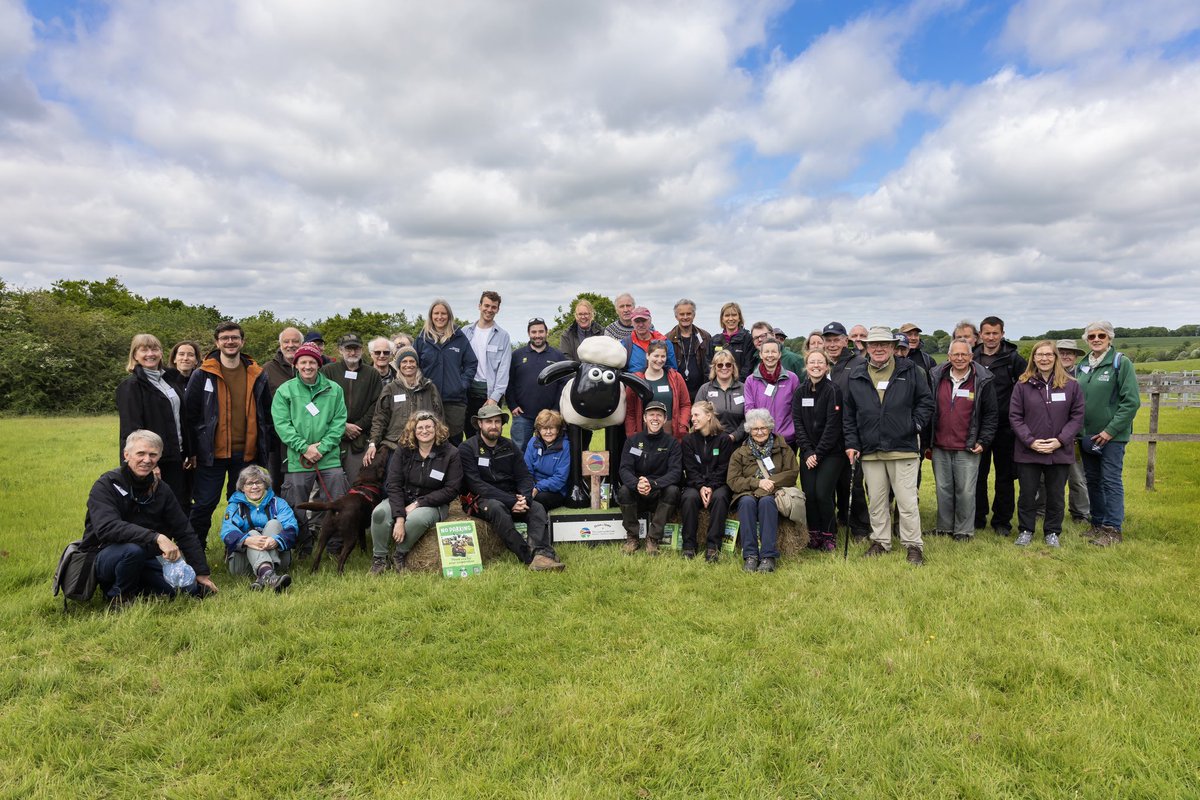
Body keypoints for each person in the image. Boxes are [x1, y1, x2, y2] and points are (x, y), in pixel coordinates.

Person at [82, 430, 217, 608]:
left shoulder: (161, 489)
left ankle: (141, 586)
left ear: (159, 457)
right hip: (107, 556)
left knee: (188, 591)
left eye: (153, 455)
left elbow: (184, 531)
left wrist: (201, 573)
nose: (147, 460)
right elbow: (107, 527)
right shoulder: (106, 485)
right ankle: (120, 597)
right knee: (131, 551)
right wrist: (157, 537)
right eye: (141, 453)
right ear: (126, 454)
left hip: (146, 556)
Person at [843, 326, 934, 565]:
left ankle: (913, 545)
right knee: (877, 501)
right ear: (867, 347)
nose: (879, 348)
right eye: (874, 344)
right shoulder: (856, 374)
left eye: (884, 344)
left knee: (906, 501)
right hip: (870, 449)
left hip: (902, 446)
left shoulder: (911, 370)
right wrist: (852, 442)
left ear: (893, 347)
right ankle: (881, 541)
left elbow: (926, 402)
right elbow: (849, 414)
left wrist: (914, 425)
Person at [184, 321, 272, 550]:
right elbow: (190, 417)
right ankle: (194, 550)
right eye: (225, 338)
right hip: (211, 454)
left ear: (242, 341)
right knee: (203, 505)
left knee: (243, 504)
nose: (230, 342)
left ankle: (238, 550)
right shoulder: (202, 374)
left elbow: (266, 415)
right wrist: (192, 451)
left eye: (234, 337)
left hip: (245, 454)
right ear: (217, 342)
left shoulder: (257, 373)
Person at [459, 405, 565, 570]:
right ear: (480, 424)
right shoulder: (467, 448)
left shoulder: (510, 446)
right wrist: (511, 501)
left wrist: (525, 498)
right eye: (489, 422)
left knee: (537, 508)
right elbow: (476, 484)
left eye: (497, 421)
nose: (493, 425)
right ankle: (529, 557)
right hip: (482, 499)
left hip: (512, 497)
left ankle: (542, 553)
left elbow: (524, 476)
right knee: (497, 508)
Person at [270, 342, 349, 556]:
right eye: (303, 362)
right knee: (296, 505)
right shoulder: (285, 391)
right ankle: (301, 546)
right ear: (296, 365)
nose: (307, 366)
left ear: (318, 364)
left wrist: (321, 448)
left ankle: (333, 546)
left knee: (334, 503)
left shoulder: (334, 390)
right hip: (298, 459)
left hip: (329, 457)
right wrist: (304, 448)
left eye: (312, 362)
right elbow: (282, 425)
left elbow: (339, 422)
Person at [1010, 341, 1085, 548]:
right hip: (1028, 451)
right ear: (1033, 358)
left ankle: (1052, 532)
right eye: (1039, 355)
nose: (1044, 359)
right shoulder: (1022, 385)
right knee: (1027, 494)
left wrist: (1060, 441)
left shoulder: (1071, 385)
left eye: (1049, 355)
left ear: (1055, 358)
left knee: (1056, 494)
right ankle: (1026, 530)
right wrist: (1031, 441)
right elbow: (1015, 417)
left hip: (1059, 451)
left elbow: (1077, 417)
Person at [368, 411, 462, 573]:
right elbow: (394, 484)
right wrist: (398, 517)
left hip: (433, 503)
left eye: (428, 427)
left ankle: (399, 554)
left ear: (436, 428)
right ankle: (380, 559)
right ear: (413, 430)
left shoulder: (451, 453)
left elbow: (451, 490)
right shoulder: (403, 449)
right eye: (420, 428)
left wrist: (418, 504)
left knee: (415, 519)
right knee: (379, 513)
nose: (424, 431)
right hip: (403, 498)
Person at [1076, 321, 1141, 546]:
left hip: (1112, 437)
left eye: (1101, 336)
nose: (1096, 339)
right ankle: (1097, 524)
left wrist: (1110, 430)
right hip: (1087, 435)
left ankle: (1113, 529)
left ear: (1109, 338)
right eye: (1091, 336)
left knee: (1111, 481)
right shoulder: (1082, 365)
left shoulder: (1120, 363)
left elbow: (1131, 402)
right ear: (1086, 339)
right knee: (1092, 480)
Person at [928, 340, 998, 541]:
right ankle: (944, 527)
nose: (959, 358)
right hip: (940, 444)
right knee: (943, 489)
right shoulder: (936, 376)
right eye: (955, 355)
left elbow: (991, 414)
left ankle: (963, 531)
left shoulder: (982, 380)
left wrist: (983, 440)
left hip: (967, 445)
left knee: (965, 491)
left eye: (964, 355)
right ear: (949, 356)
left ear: (971, 356)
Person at [117, 333, 189, 510]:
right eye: (144, 349)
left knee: (178, 505)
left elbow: (181, 418)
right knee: (153, 508)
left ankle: (178, 538)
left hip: (175, 455)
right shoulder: (131, 386)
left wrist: (189, 451)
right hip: (152, 459)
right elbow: (132, 430)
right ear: (135, 355)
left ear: (161, 353)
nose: (150, 353)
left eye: (154, 348)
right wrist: (151, 463)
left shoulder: (170, 380)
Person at [972, 315, 1027, 535]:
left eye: (996, 333)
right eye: (987, 333)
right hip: (978, 426)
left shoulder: (1014, 359)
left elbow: (1025, 390)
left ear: (1002, 334)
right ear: (981, 334)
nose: (992, 337)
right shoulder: (972, 357)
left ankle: (1002, 521)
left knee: (1004, 476)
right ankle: (977, 517)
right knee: (978, 476)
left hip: (1006, 427)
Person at [727, 408, 799, 573]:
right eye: (755, 429)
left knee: (767, 502)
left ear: (770, 428)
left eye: (763, 428)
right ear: (749, 431)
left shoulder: (783, 448)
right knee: (746, 503)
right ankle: (750, 555)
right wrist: (757, 483)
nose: (759, 432)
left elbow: (792, 473)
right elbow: (732, 481)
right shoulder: (740, 453)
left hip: (773, 492)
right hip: (747, 493)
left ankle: (768, 556)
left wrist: (770, 483)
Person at [792, 349, 845, 552]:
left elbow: (833, 427)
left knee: (823, 493)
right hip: (808, 453)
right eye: (812, 362)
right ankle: (814, 534)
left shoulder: (833, 391)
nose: (816, 365)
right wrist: (806, 451)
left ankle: (829, 534)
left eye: (820, 362)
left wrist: (818, 453)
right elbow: (798, 423)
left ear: (826, 366)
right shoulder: (800, 392)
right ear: (806, 365)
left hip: (831, 453)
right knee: (810, 494)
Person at [617, 400, 682, 555]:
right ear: (644, 418)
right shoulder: (632, 441)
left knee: (673, 490)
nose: (655, 418)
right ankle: (633, 537)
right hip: (637, 493)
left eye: (659, 415)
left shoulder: (672, 443)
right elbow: (624, 469)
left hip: (659, 494)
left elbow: (675, 472)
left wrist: (653, 483)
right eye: (651, 414)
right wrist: (636, 484)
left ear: (665, 419)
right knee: (624, 491)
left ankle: (653, 539)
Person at [218, 464, 297, 591]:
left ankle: (264, 576)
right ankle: (269, 576)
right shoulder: (235, 506)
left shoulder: (279, 503)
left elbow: (292, 528)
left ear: (265, 485)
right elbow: (227, 532)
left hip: (278, 560)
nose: (254, 487)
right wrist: (247, 540)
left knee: (274, 524)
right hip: (243, 565)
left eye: (258, 482)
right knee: (252, 533)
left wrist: (276, 540)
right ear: (242, 488)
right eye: (249, 483)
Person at [824, 322, 869, 540]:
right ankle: (837, 521)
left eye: (836, 340)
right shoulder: (821, 364)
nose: (832, 345)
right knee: (831, 482)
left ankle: (860, 528)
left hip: (850, 433)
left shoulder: (858, 363)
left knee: (853, 484)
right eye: (828, 340)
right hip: (826, 435)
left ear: (845, 340)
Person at [365, 345, 444, 467]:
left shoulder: (429, 387)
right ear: (399, 365)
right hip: (395, 445)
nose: (408, 365)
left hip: (424, 444)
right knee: (392, 481)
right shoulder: (390, 388)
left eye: (412, 361)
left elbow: (439, 416)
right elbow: (380, 419)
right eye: (404, 361)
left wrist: (440, 441)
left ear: (417, 364)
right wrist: (373, 443)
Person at [414, 298, 478, 444]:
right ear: (431, 316)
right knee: (429, 440)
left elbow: (471, 363)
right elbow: (413, 364)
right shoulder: (422, 338)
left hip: (454, 401)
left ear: (449, 316)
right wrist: (420, 383)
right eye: (436, 313)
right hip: (427, 400)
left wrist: (461, 384)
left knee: (453, 441)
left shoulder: (459, 337)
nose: (440, 317)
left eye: (443, 313)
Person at [321, 333, 382, 484]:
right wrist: (342, 426)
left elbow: (377, 404)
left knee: (356, 480)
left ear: (362, 350)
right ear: (340, 350)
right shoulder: (328, 371)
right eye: (348, 349)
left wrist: (359, 426)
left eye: (356, 348)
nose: (352, 353)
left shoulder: (372, 374)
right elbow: (321, 404)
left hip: (360, 437)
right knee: (329, 482)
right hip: (331, 435)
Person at [679, 401, 735, 561]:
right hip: (695, 484)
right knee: (688, 498)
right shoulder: (688, 441)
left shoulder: (724, 440)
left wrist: (710, 486)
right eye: (691, 416)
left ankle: (713, 547)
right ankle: (689, 546)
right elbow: (690, 469)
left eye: (696, 415)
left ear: (709, 416)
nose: (693, 419)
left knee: (720, 497)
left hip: (718, 484)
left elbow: (724, 468)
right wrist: (701, 486)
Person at [1044, 339, 1090, 522]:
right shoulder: (1046, 375)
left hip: (1074, 435)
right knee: (1043, 478)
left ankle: (1080, 513)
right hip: (1047, 435)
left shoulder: (1083, 377)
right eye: (1061, 352)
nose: (1065, 356)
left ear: (1076, 356)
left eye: (1069, 353)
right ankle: (1042, 510)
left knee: (1077, 477)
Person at [507, 317, 565, 454]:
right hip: (523, 416)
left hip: (550, 416)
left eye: (541, 331)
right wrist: (512, 405)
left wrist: (556, 409)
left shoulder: (558, 356)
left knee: (549, 452)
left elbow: (563, 384)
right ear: (528, 333)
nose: (537, 335)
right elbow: (509, 382)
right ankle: (520, 476)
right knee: (519, 451)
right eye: (534, 332)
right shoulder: (516, 355)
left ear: (547, 332)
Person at [262, 327, 303, 490]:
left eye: (295, 341)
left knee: (302, 482)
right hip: (277, 438)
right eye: (286, 341)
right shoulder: (267, 369)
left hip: (307, 436)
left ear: (302, 344)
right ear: (280, 344)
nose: (290, 345)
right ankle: (278, 515)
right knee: (277, 481)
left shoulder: (310, 366)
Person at [463, 290, 511, 428]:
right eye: (486, 305)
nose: (489, 310)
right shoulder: (465, 332)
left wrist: (494, 398)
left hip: (489, 395)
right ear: (479, 306)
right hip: (467, 393)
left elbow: (504, 369)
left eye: (493, 307)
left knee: (490, 434)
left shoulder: (503, 336)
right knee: (468, 433)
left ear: (498, 309)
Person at [624, 340, 690, 440]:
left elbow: (685, 404)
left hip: (670, 434)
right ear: (647, 356)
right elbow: (630, 412)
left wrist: (682, 425)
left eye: (663, 356)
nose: (659, 360)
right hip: (644, 434)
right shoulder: (636, 380)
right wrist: (632, 435)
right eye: (656, 356)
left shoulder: (676, 378)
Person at [744, 338, 799, 447]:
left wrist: (792, 431)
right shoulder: (751, 380)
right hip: (760, 439)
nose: (770, 355)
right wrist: (761, 431)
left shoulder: (792, 379)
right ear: (760, 354)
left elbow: (796, 409)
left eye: (773, 352)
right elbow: (749, 409)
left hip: (787, 440)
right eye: (766, 352)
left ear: (779, 354)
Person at [696, 350, 747, 445]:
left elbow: (749, 417)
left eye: (728, 365)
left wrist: (735, 436)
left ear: (733, 367)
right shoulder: (705, 389)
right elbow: (697, 416)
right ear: (714, 368)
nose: (724, 368)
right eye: (720, 365)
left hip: (739, 443)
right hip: (711, 442)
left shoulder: (744, 388)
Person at [524, 409, 571, 511]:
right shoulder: (532, 442)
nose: (548, 432)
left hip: (555, 491)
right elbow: (526, 470)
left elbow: (560, 478)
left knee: (539, 499)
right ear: (539, 430)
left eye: (552, 428)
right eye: (545, 428)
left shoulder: (565, 446)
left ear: (558, 430)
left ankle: (542, 525)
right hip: (533, 486)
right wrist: (530, 488)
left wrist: (538, 488)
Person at [666, 298, 712, 401]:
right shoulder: (668, 339)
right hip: (677, 392)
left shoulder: (705, 336)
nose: (685, 317)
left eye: (688, 313)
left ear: (694, 315)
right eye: (682, 314)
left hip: (701, 391)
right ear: (676, 316)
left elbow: (710, 364)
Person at [624, 307, 678, 372]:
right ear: (632, 323)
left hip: (660, 381)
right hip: (633, 381)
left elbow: (672, 370)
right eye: (637, 321)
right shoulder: (626, 344)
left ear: (650, 321)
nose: (641, 325)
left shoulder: (665, 342)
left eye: (644, 320)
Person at [712, 302, 755, 377]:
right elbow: (709, 365)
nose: (731, 318)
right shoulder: (714, 340)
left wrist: (736, 384)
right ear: (722, 319)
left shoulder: (748, 339)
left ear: (739, 318)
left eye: (734, 315)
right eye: (727, 315)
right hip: (718, 385)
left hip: (741, 385)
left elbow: (748, 366)